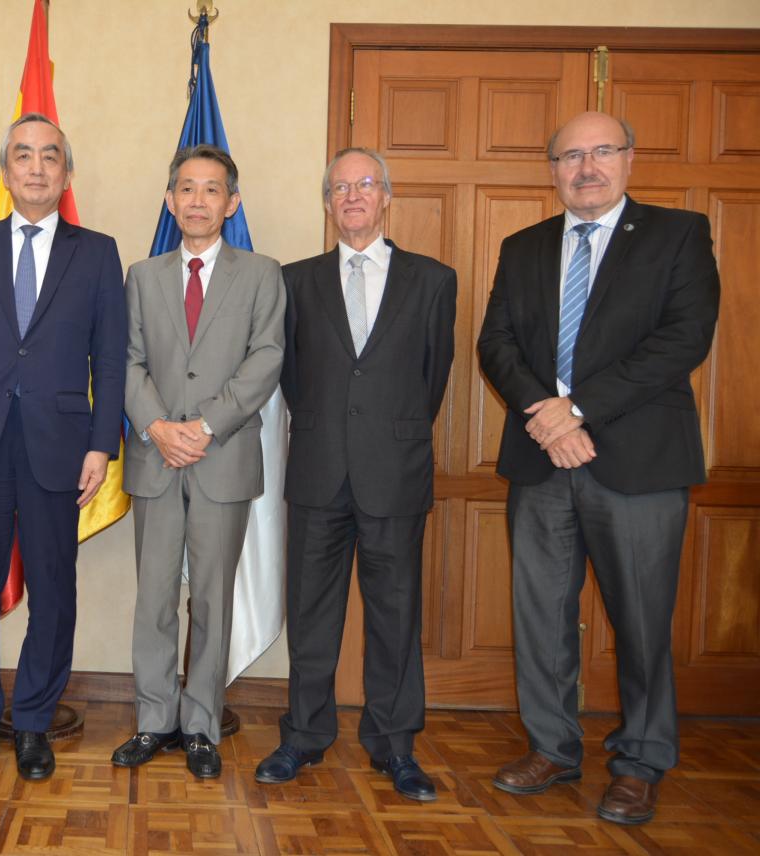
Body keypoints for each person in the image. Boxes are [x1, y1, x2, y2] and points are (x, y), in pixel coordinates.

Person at [478, 112, 719, 826]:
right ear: (552, 170)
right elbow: (497, 344)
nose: (587, 167)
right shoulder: (523, 247)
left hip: (639, 464)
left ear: (629, 159)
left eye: (602, 152)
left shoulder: (678, 235)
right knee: (541, 617)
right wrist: (545, 415)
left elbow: (684, 338)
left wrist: (576, 411)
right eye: (571, 156)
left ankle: (642, 761)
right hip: (541, 461)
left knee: (642, 621)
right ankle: (551, 747)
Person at [255, 147, 455, 801]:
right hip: (316, 469)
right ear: (327, 202)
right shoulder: (294, 280)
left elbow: (432, 379)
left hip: (394, 471)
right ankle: (304, 735)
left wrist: (384, 432)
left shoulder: (432, 280)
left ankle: (395, 745)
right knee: (311, 611)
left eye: (365, 184)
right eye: (339, 187)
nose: (352, 196)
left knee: (395, 614)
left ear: (386, 195)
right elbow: (292, 377)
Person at [0, 113, 125, 782]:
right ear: (6, 171)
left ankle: (35, 721)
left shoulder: (97, 251)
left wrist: (104, 446)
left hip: (61, 446)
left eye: (50, 156)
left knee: (54, 589)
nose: (37, 167)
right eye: (23, 156)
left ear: (66, 173)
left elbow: (111, 357)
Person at [113, 144, 284, 778]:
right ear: (170, 200)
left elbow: (266, 359)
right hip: (157, 459)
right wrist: (159, 427)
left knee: (211, 599)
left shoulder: (262, 273)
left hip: (223, 457)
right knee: (154, 597)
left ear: (231, 203)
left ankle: (202, 726)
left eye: (212, 190)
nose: (198, 201)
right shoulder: (142, 275)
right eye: (187, 189)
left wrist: (205, 426)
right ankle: (154, 721)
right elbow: (126, 361)